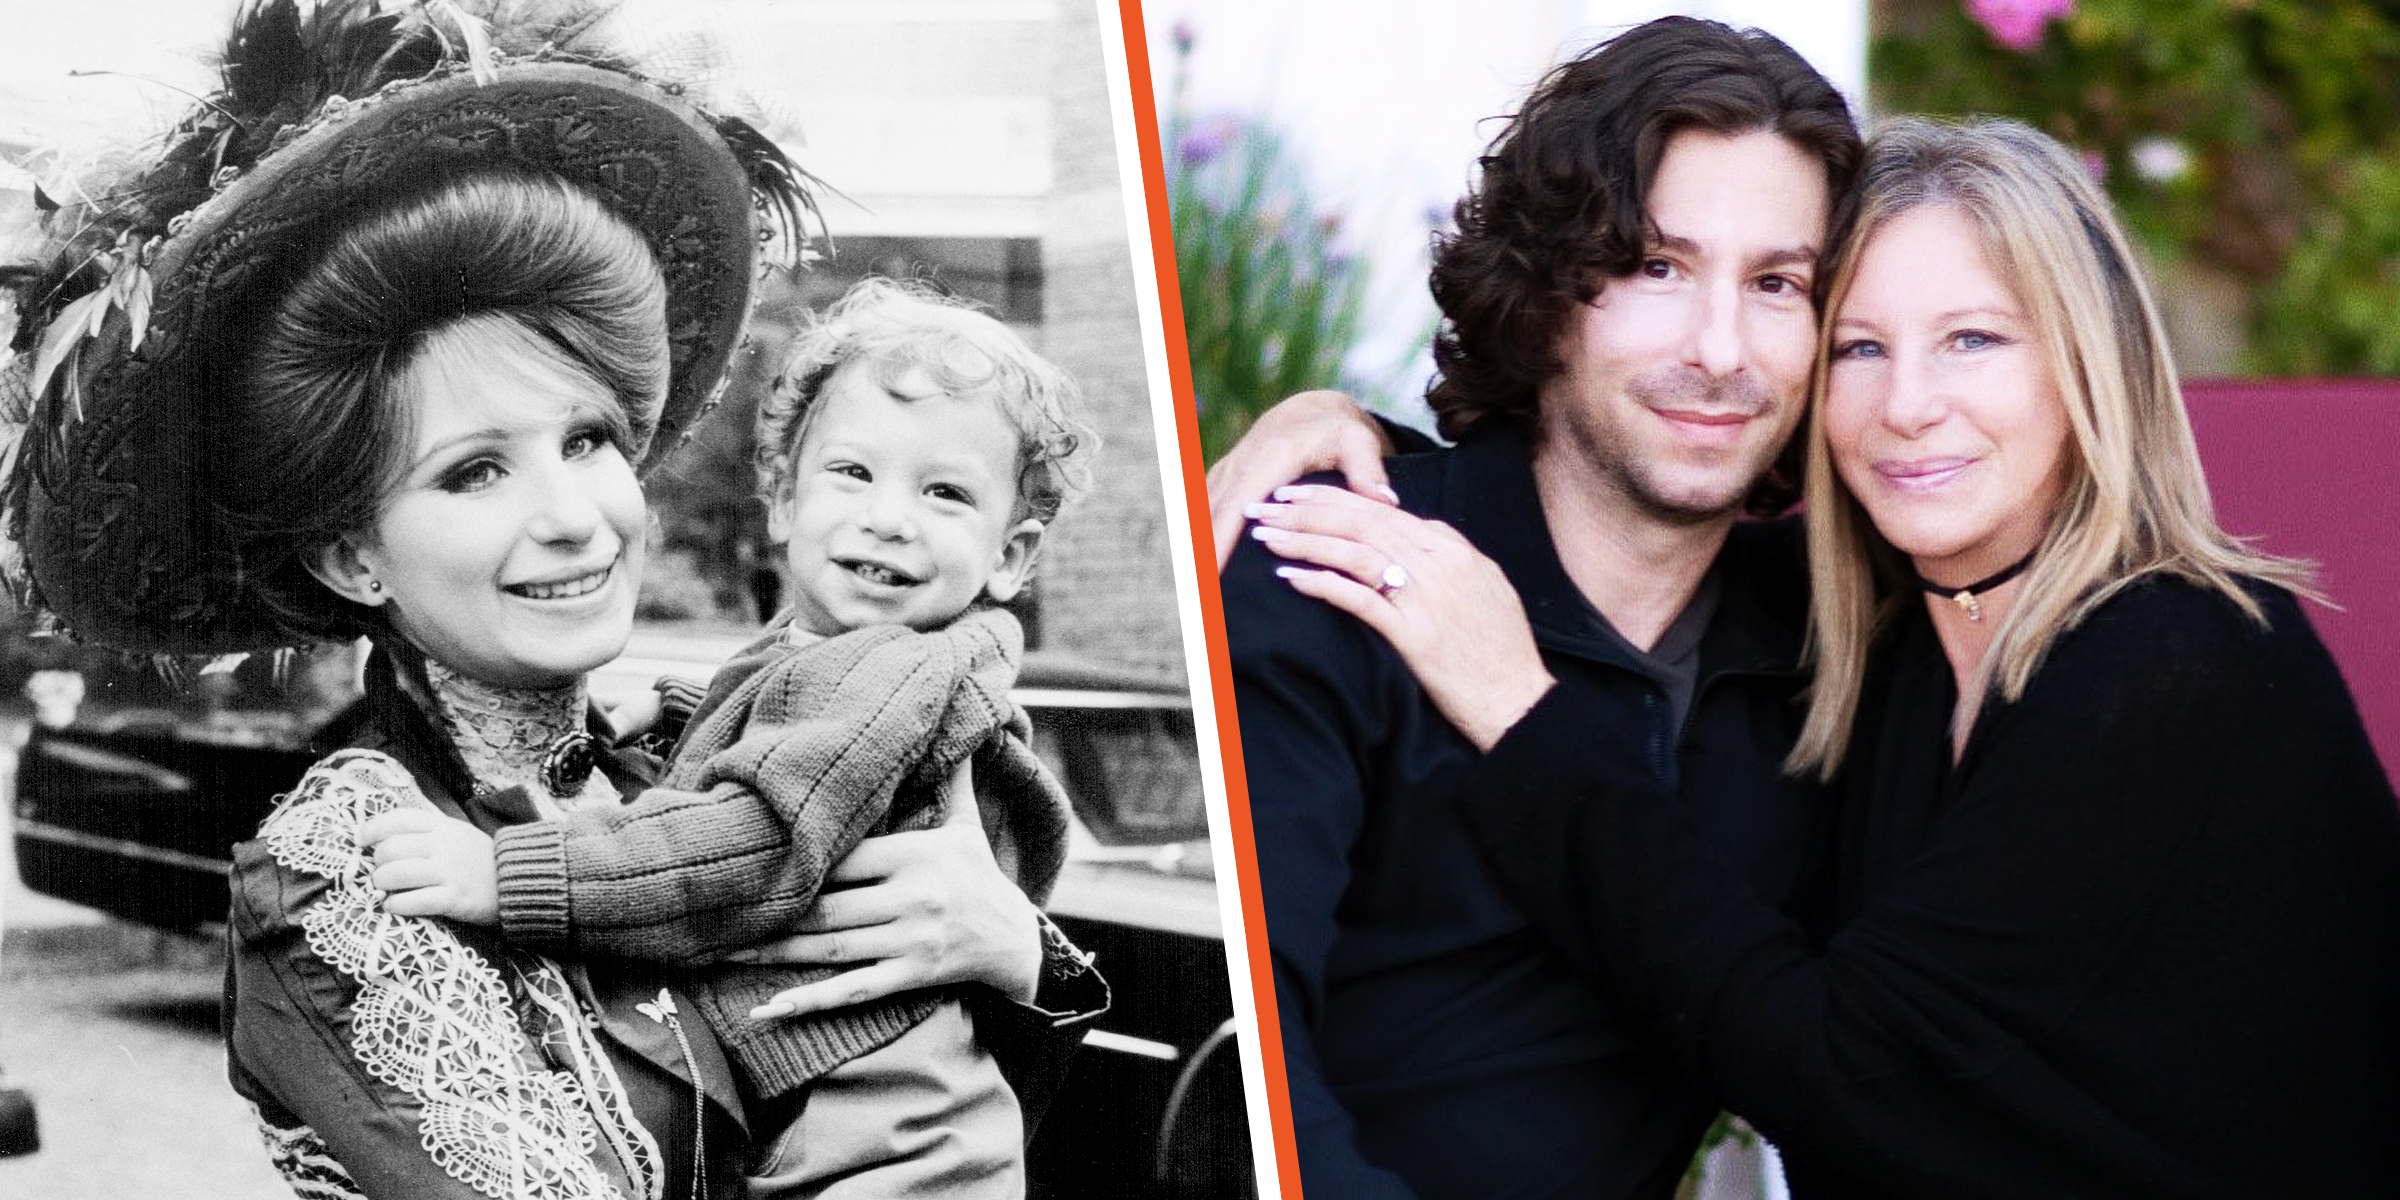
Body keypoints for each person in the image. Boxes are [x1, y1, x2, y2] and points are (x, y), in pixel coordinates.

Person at [0, 5, 1099, 1195]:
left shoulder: (682, 757)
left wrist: (1017, 958)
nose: (575, 515)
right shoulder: (348, 876)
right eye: (474, 471)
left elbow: (948, 1112)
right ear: (352, 560)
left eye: (586, 440)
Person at [1249, 116, 2400, 1197]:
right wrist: (1370, 457)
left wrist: (1520, 704)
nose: (1907, 406)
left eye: (1973, 340)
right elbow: (1609, 514)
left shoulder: (2176, 658)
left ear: (2087, 368)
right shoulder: (1878, 635)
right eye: (1859, 346)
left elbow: (1845, 1075)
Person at [1211, 17, 1860, 1197]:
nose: (1721, 350)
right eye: (1657, 267)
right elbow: (1257, 1087)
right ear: (1548, 289)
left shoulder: (1838, 658)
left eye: (1777, 284)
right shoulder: (1327, 573)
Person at [363, 275, 1103, 1196]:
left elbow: (750, 842)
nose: (889, 516)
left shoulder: (888, 665)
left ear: (1008, 555)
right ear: (784, 502)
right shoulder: (849, 654)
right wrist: (683, 711)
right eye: (853, 472)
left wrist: (501, 875)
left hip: (877, 1132)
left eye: (946, 492)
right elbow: (794, 727)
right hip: (885, 1108)